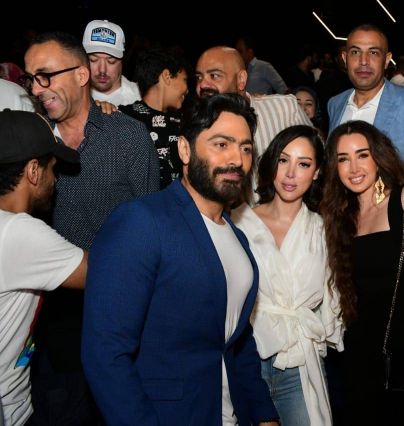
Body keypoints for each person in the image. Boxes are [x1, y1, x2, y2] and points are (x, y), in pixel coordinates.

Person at [82, 93, 279, 426]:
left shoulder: (238, 238)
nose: (237, 159)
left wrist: (264, 414)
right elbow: (105, 354)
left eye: (246, 148)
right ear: (185, 150)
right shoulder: (142, 221)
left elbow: (236, 339)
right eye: (221, 144)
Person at [23, 31, 159, 424]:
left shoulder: (128, 136)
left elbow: (152, 227)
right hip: (53, 316)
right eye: (31, 79)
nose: (37, 88)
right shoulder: (30, 140)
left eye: (45, 76)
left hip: (123, 311)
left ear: (81, 75)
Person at [321, 120, 404, 423]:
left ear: (378, 157)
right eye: (343, 159)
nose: (354, 168)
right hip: (357, 362)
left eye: (362, 155)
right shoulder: (340, 215)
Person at [232, 125, 343, 425]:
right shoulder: (239, 222)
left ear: (317, 172)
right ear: (272, 163)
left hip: (299, 361)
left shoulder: (323, 230)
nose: (291, 173)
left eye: (303, 164)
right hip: (248, 359)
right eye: (284, 160)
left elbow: (334, 300)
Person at [0, 110, 86, 426]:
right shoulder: (19, 233)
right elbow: (102, 274)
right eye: (53, 168)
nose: (56, 179)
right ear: (33, 171)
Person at [327, 24, 404, 196]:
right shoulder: (335, 104)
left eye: (373, 52)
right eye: (355, 52)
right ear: (345, 58)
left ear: (387, 60)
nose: (363, 61)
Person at [195, 45, 311, 200]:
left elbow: (318, 152)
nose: (202, 85)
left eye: (214, 76)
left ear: (241, 79)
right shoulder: (197, 126)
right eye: (199, 77)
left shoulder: (284, 109)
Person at [120, 47, 190, 188]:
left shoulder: (185, 122)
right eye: (184, 80)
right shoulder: (123, 117)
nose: (187, 89)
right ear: (167, 76)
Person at [82, 19, 141, 106]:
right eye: (93, 59)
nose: (102, 70)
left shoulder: (140, 96)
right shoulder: (71, 94)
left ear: (122, 61)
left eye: (111, 61)